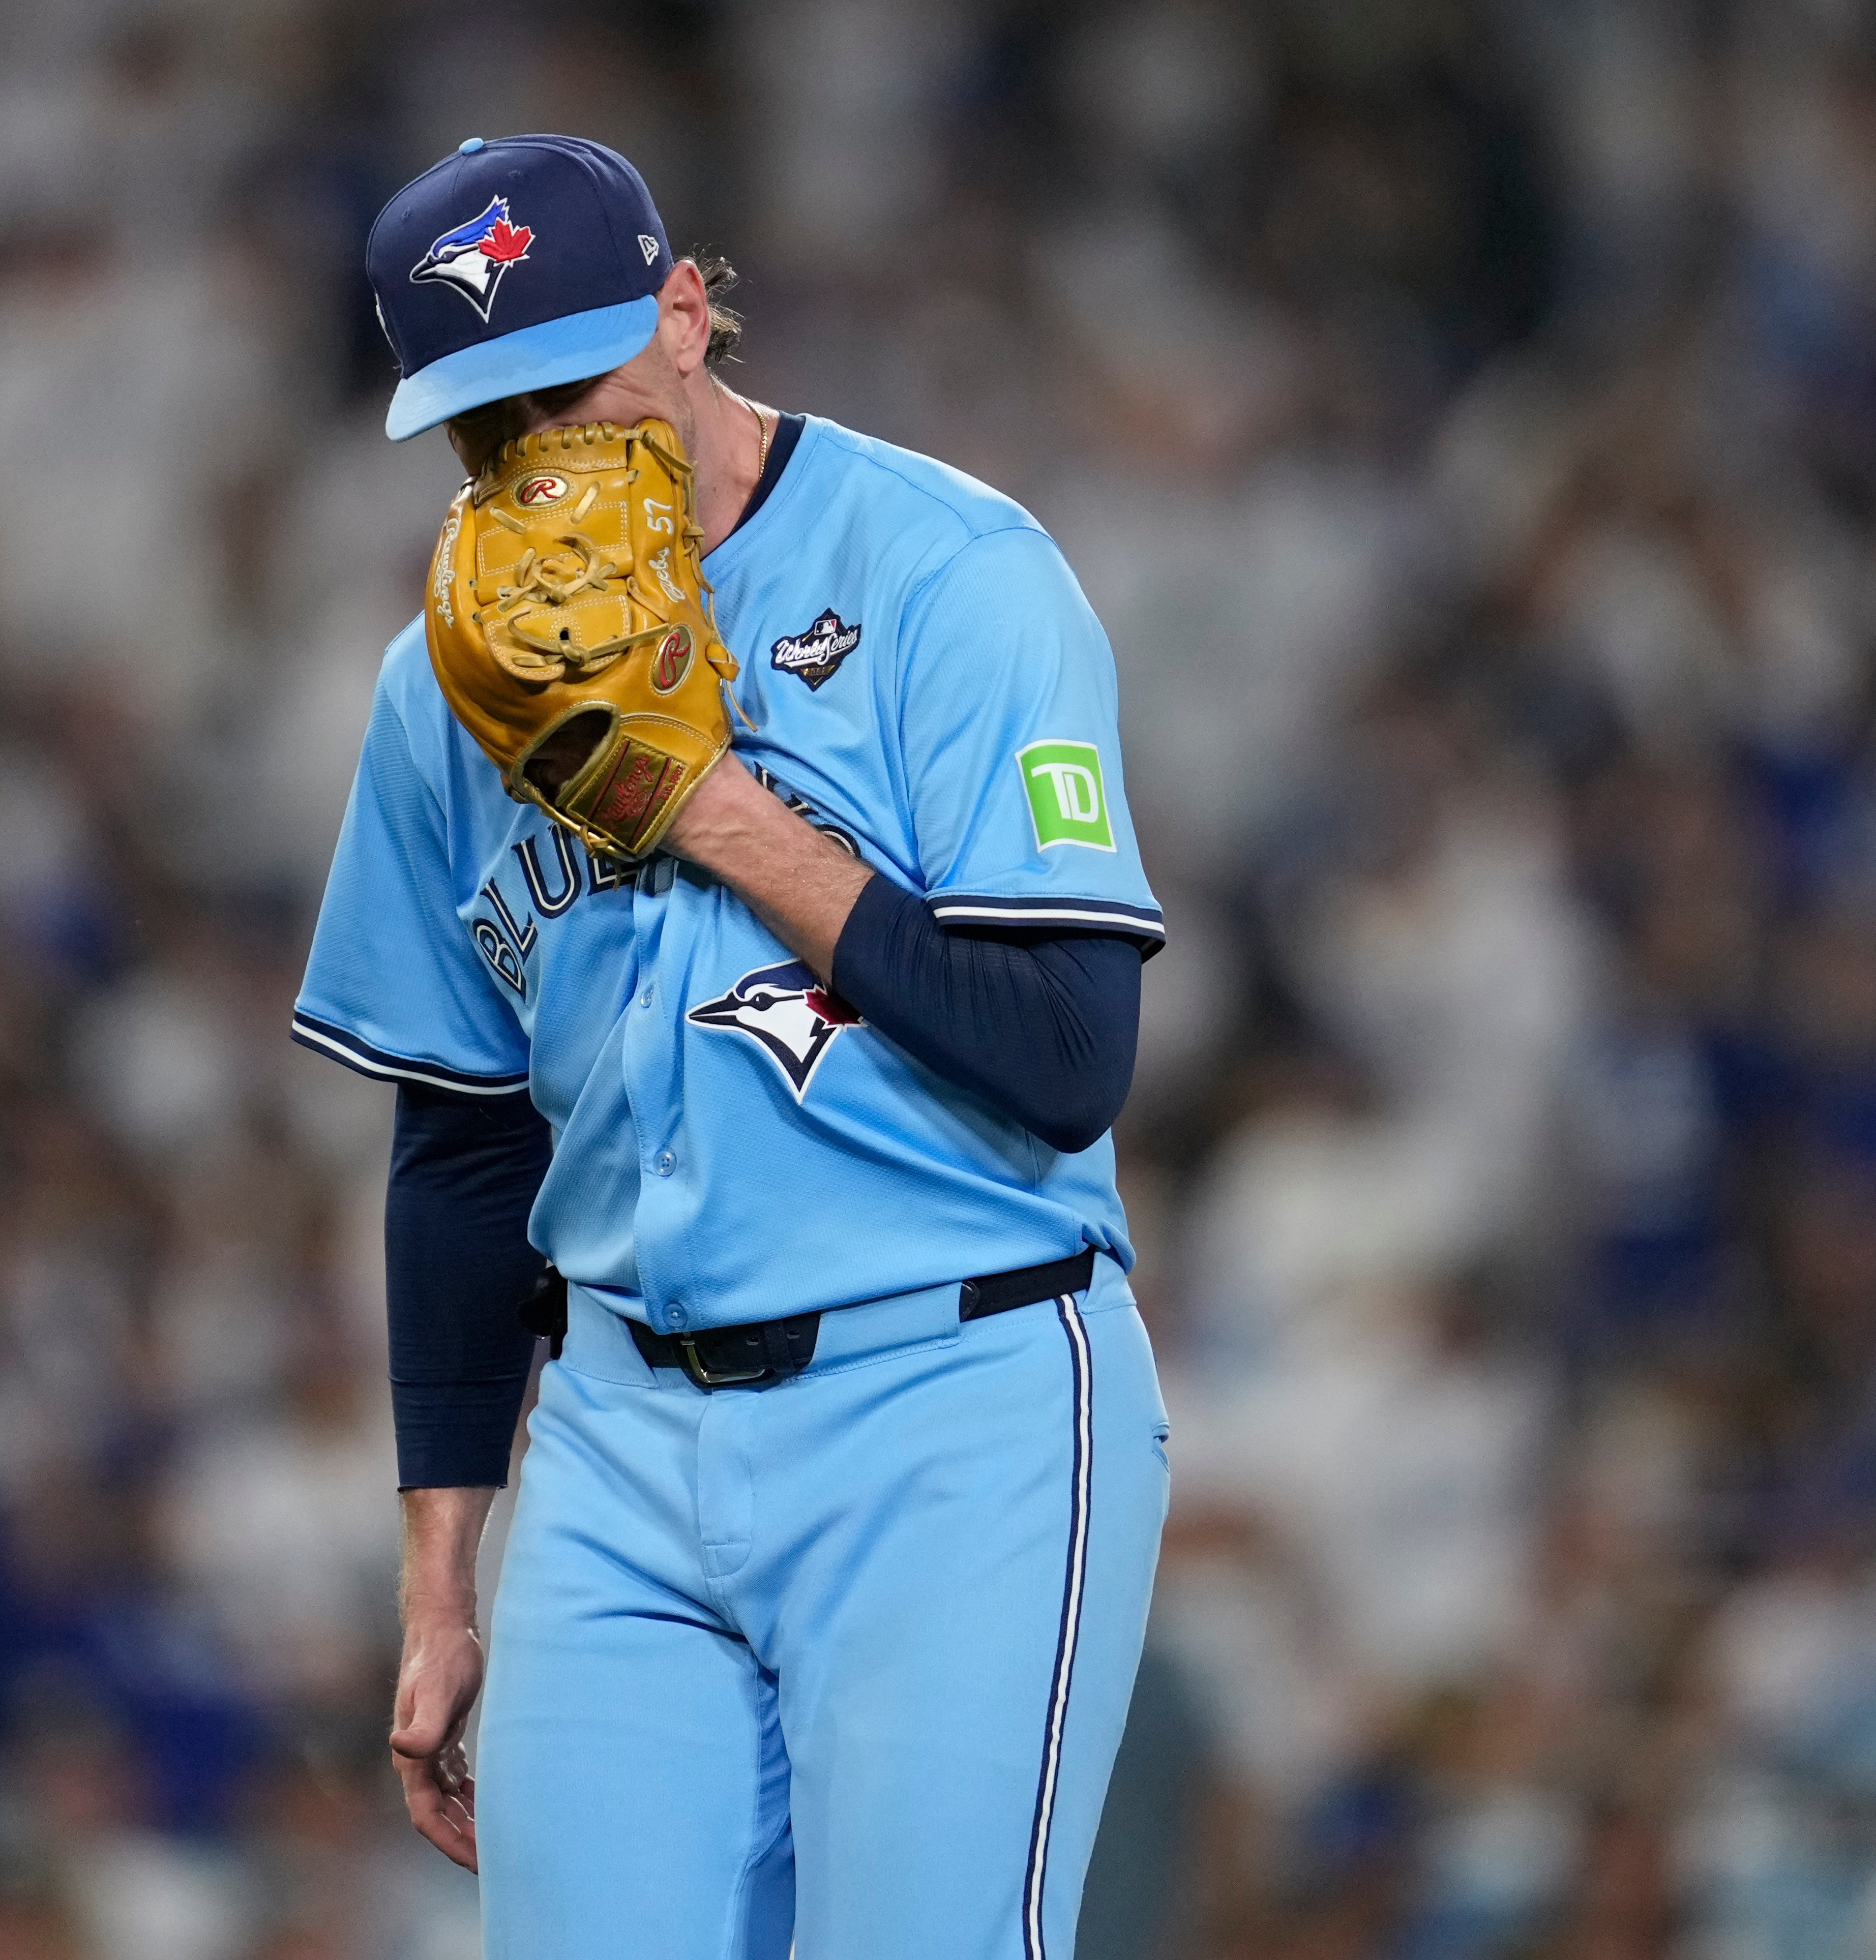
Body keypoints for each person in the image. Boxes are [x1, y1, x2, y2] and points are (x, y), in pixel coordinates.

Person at [290, 133, 1170, 1958]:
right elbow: (460, 1144)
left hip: (953, 1401)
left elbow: (1071, 1053)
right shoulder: (439, 687)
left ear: (687, 313)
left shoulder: (952, 574)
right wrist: (442, 1576)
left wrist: (701, 801)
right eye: (488, 412)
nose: (541, 445)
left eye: (575, 379)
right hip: (619, 1443)